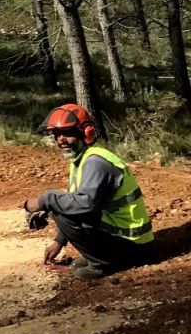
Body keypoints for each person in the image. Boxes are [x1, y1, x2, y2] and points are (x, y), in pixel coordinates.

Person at [24, 103, 153, 279]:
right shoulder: (82, 158)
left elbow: (85, 204)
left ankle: (103, 264)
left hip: (134, 246)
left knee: (57, 205)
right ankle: (100, 257)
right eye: (56, 135)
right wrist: (59, 241)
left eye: (67, 133)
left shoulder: (96, 162)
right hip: (130, 240)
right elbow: (75, 203)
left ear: (86, 132)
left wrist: (44, 200)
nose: (60, 139)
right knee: (61, 204)